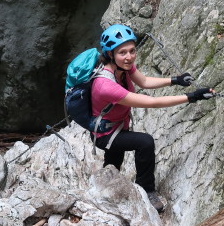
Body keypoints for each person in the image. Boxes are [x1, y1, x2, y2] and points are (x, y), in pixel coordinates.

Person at [91, 24, 214, 211]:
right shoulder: (105, 84)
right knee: (144, 142)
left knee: (114, 160)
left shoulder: (123, 67)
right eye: (122, 52)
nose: (129, 57)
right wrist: (191, 97)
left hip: (116, 127)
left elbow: (145, 82)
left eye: (132, 51)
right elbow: (151, 102)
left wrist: (175, 80)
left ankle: (104, 188)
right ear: (110, 54)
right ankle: (146, 191)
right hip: (105, 134)